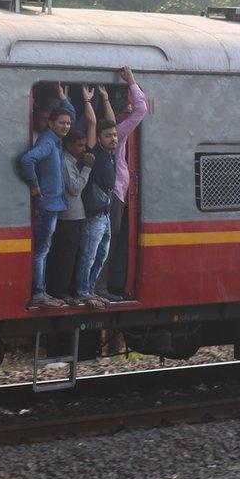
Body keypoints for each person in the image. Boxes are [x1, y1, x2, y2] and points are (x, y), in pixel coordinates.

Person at [46, 87, 104, 309]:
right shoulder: (65, 162)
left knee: (73, 255)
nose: (82, 149)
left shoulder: (72, 158)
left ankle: (67, 290)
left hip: (75, 215)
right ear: (69, 145)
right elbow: (74, 189)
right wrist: (87, 169)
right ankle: (59, 291)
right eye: (78, 146)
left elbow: (91, 124)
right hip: (68, 215)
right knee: (65, 256)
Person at [94, 66, 148, 302]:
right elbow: (141, 109)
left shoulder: (106, 135)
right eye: (122, 110)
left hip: (116, 192)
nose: (127, 112)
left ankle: (99, 285)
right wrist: (132, 82)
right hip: (115, 193)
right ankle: (100, 287)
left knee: (105, 240)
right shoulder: (118, 133)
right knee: (108, 241)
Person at [20, 106, 73, 309]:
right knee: (42, 251)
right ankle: (38, 293)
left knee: (44, 249)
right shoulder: (49, 142)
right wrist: (34, 185)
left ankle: (41, 291)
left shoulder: (54, 141)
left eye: (68, 123)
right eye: (61, 122)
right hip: (47, 206)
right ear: (51, 123)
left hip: (53, 204)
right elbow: (27, 160)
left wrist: (62, 96)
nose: (66, 126)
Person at [75, 119, 118, 301]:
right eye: (108, 136)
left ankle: (90, 289)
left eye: (114, 135)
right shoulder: (95, 154)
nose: (113, 139)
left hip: (105, 214)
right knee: (89, 255)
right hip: (94, 215)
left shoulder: (111, 155)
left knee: (101, 256)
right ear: (98, 138)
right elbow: (91, 122)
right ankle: (82, 291)